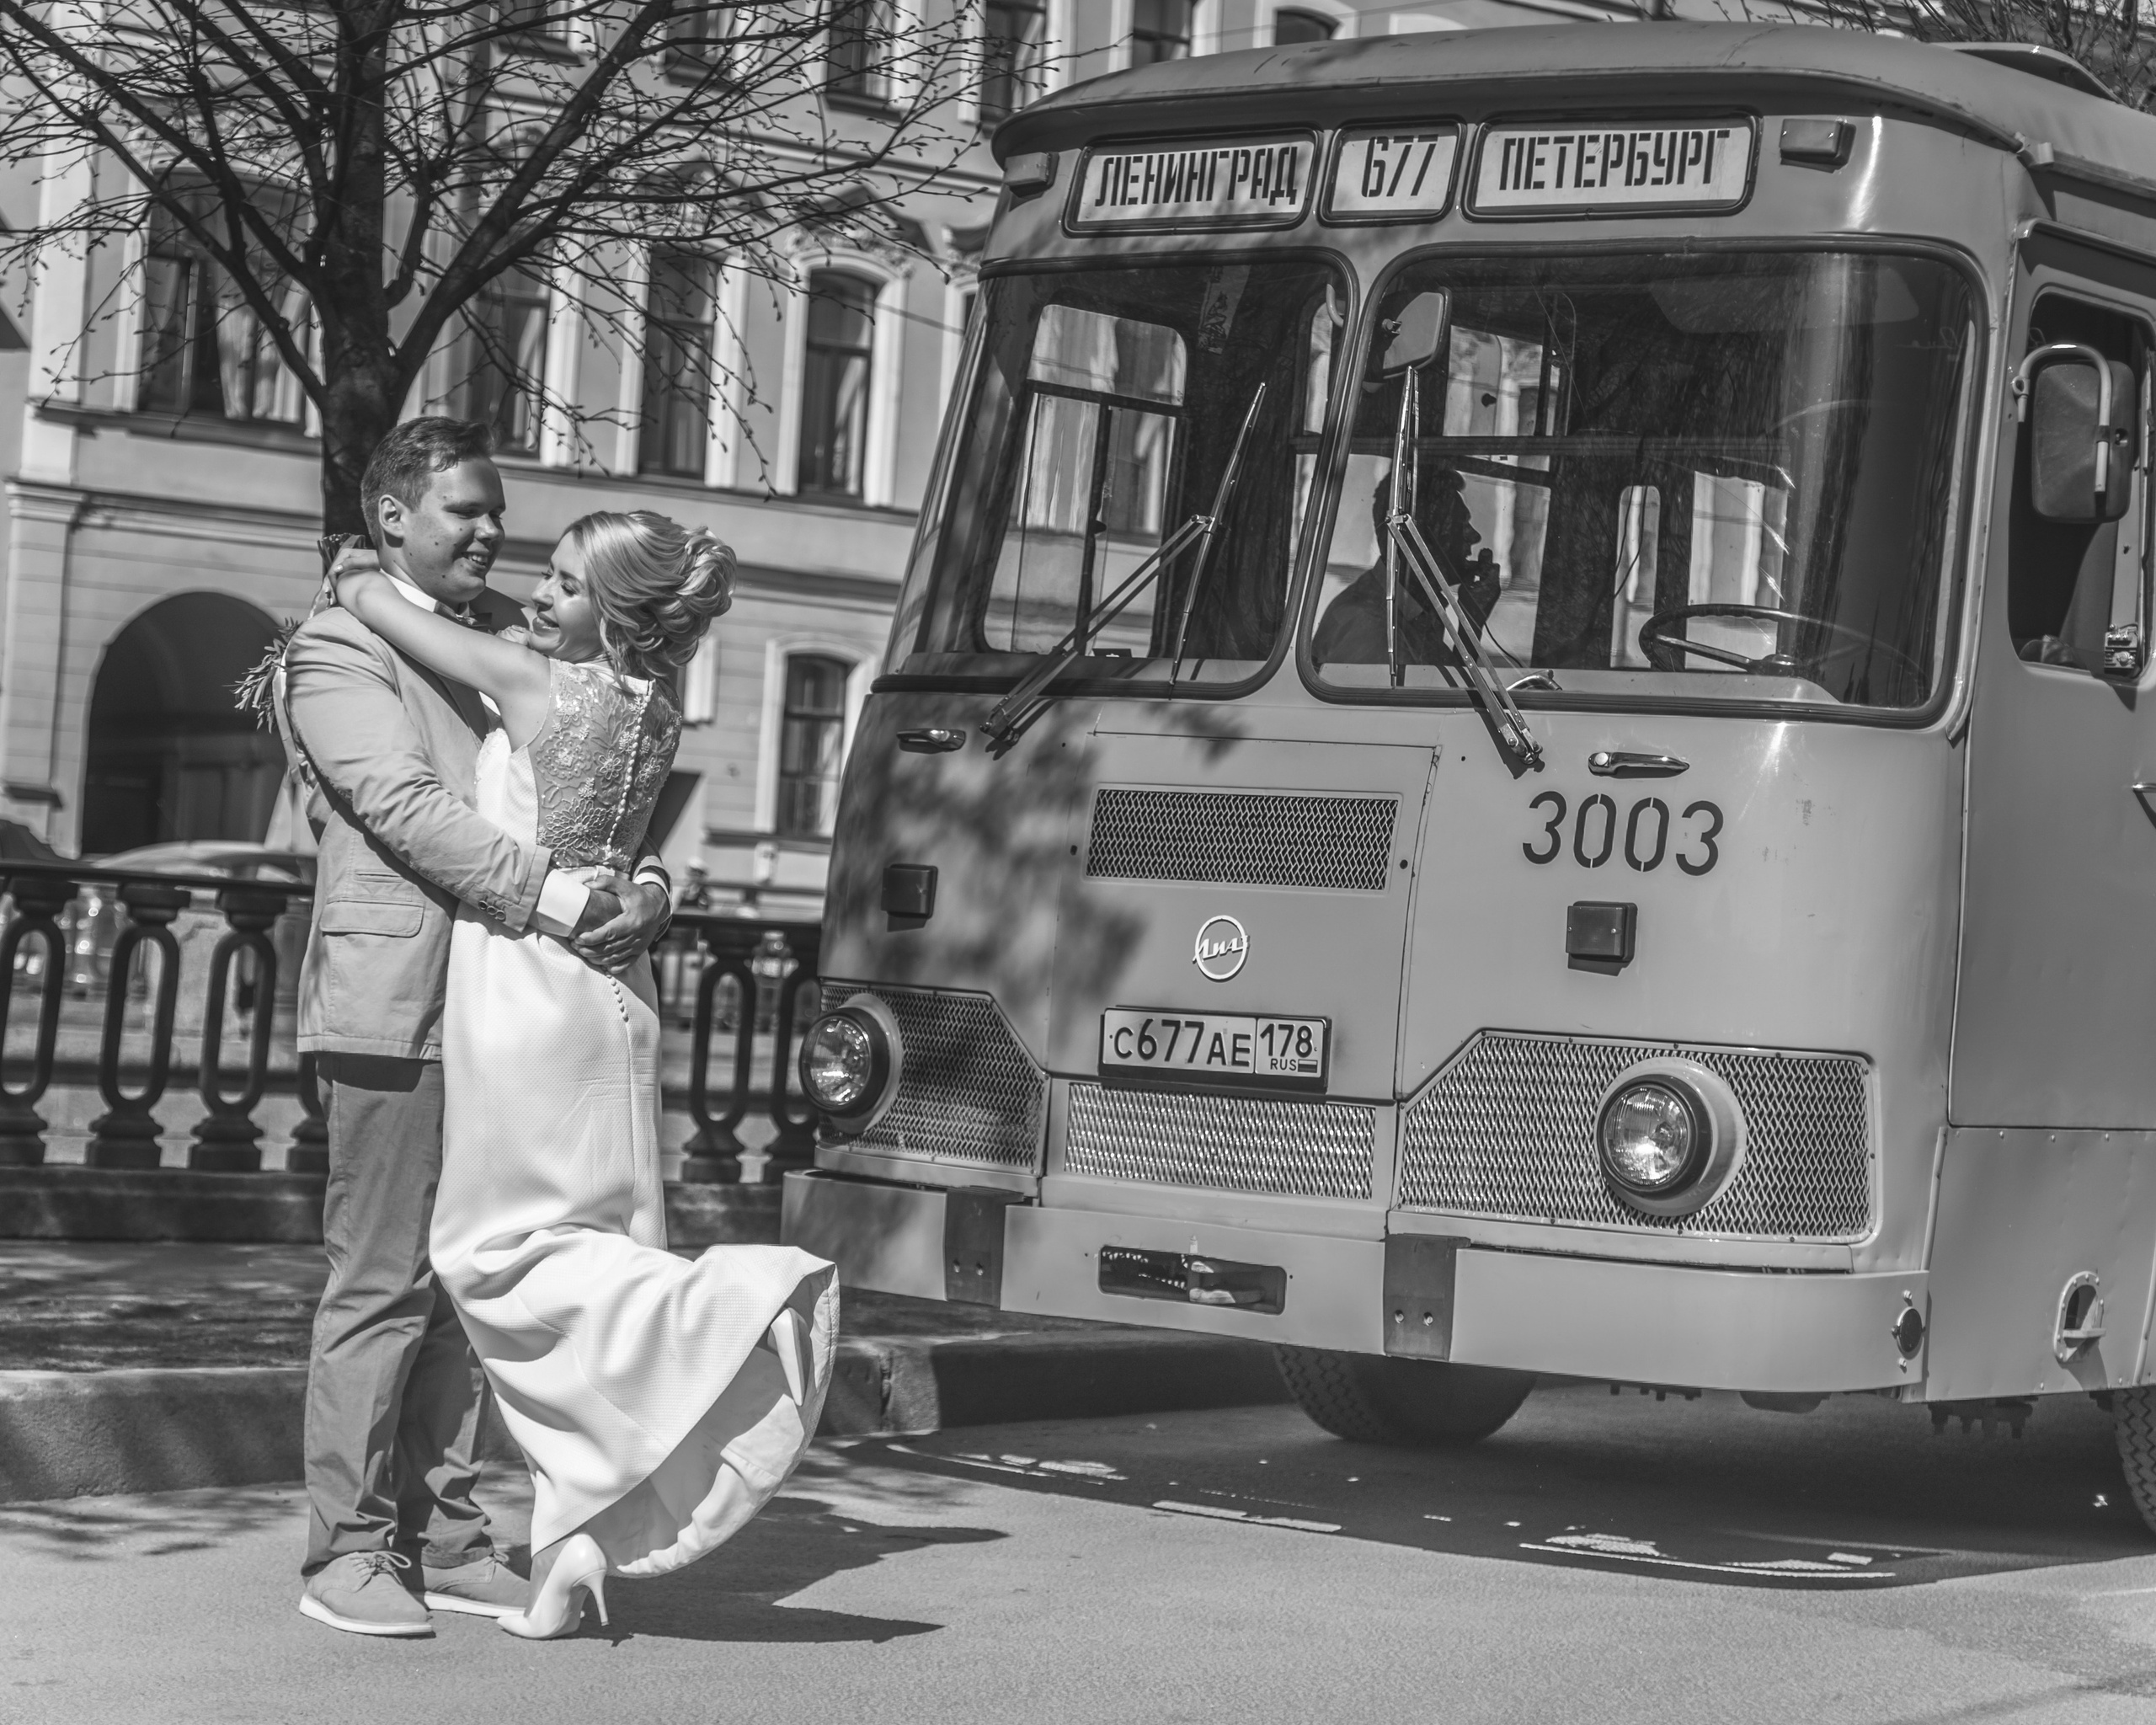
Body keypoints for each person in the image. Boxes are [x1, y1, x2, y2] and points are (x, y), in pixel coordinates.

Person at [330, 508, 837, 1642]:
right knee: (597, 1238)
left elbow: (371, 603)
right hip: (618, 994)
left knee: (491, 1250)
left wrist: (363, 560)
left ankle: (739, 1303)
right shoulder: (652, 708)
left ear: (611, 610)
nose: (534, 595)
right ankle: (570, 1555)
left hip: (530, 985)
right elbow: (630, 848)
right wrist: (654, 895)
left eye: (561, 585)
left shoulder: (530, 680)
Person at [280, 418, 678, 1637]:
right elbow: (402, 806)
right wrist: (561, 898)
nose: (492, 530)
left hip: (510, 1012)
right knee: (384, 1281)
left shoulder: (517, 634)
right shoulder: (338, 639)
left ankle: (445, 1531)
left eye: (498, 509)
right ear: (393, 512)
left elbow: (597, 797)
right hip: (396, 1005)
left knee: (474, 1283)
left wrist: (651, 891)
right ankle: (344, 1551)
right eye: (466, 508)